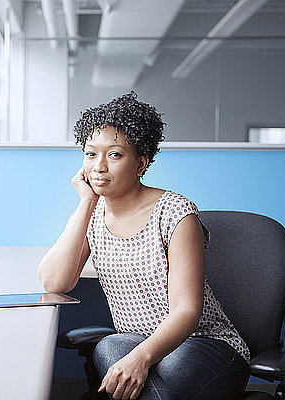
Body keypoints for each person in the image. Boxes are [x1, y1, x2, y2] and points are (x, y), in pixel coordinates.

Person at [37, 92, 250, 400]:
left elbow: (187, 311)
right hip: (134, 340)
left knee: (172, 365)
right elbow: (55, 281)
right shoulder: (93, 214)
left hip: (204, 342)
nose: (98, 167)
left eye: (114, 155)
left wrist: (141, 357)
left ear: (141, 163)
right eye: (90, 154)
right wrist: (86, 203)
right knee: (109, 346)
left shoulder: (176, 212)